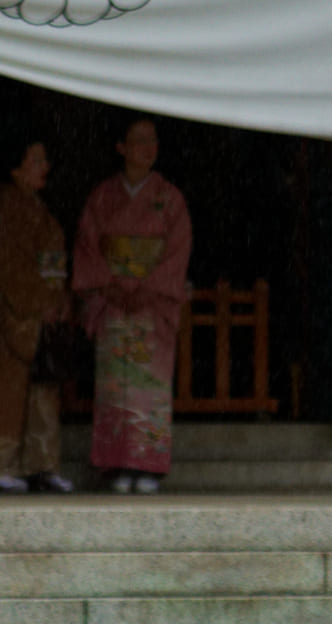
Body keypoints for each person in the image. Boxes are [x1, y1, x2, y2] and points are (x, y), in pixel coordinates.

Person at [72, 118, 189, 494]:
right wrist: (112, 285)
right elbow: (89, 245)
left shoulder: (169, 197)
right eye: (138, 141)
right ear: (120, 147)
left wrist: (146, 287)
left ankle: (148, 465)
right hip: (113, 303)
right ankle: (117, 465)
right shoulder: (102, 196)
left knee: (149, 385)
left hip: (151, 305)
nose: (147, 148)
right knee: (115, 386)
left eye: (152, 141)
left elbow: (177, 250)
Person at [0, 135, 71, 493]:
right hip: (12, 315)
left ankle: (41, 464)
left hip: (40, 315)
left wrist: (58, 299)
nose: (45, 167)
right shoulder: (5, 207)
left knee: (43, 390)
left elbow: (52, 264)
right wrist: (40, 299)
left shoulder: (40, 210)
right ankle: (5, 462)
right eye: (36, 160)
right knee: (8, 391)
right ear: (15, 166)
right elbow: (10, 266)